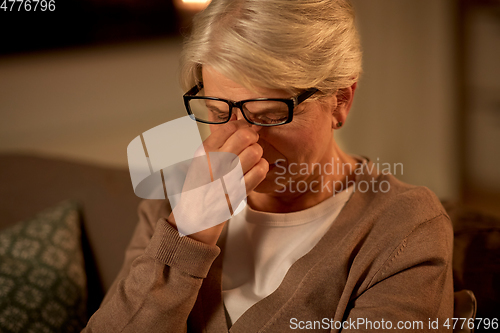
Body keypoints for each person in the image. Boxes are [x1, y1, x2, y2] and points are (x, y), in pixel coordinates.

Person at [83, 0, 453, 331]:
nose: (244, 139)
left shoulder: (403, 229)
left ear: (341, 100)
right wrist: (187, 235)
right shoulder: (172, 204)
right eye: (217, 111)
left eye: (272, 115)